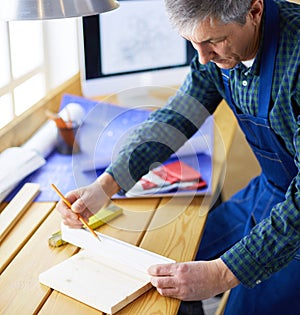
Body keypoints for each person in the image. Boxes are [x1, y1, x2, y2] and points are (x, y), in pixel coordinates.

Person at [57, 0, 300, 314]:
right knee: (171, 266)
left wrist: (223, 273)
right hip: (270, 191)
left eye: (213, 41)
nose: (202, 57)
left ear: (254, 11)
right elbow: (176, 116)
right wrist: (106, 184)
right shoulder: (213, 48)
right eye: (192, 43)